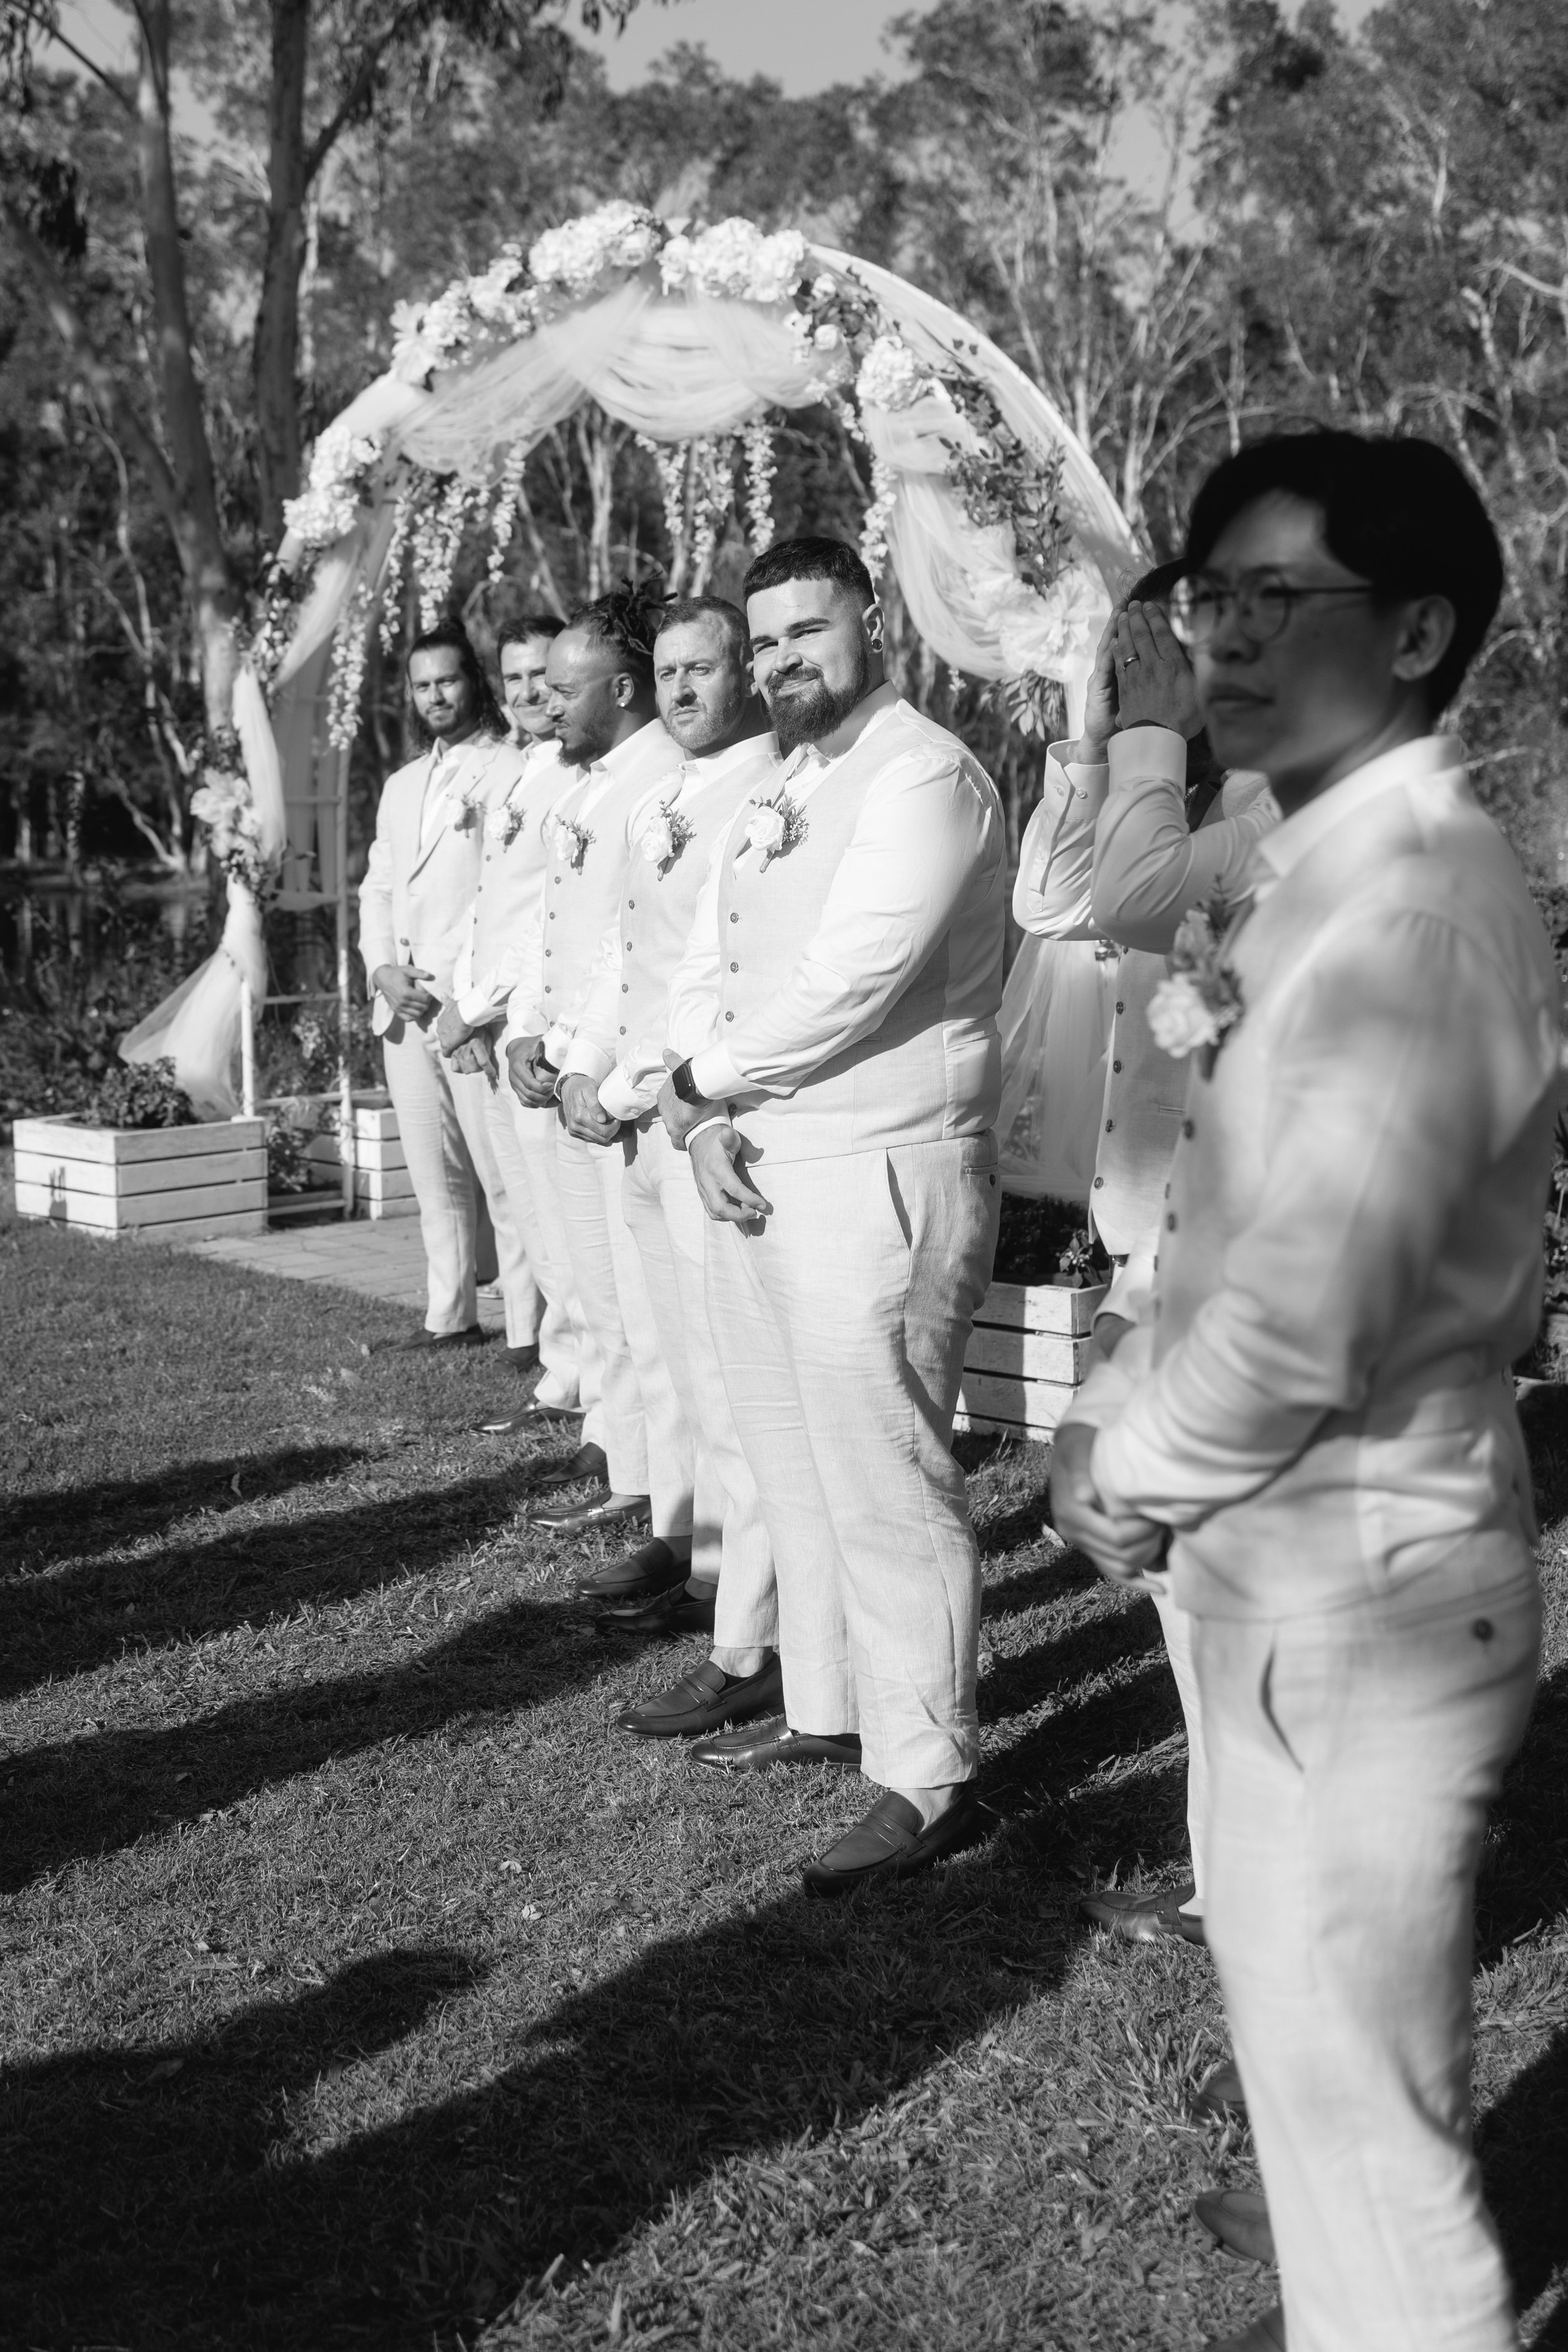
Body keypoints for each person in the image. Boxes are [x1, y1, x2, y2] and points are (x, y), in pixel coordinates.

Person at [1051, 430, 1557, 2352]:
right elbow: (1230, 1219)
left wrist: (1118, 1452)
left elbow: (1311, 1311)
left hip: (1373, 1581)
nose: (1223, 644)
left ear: (1417, 629)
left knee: (1376, 2131)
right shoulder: (1304, 858)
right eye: (1207, 600)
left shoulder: (1410, 903)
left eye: (1278, 599)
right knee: (1311, 2073)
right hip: (1272, 1557)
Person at [658, 536, 1007, 1895]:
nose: (783, 658)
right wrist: (699, 1115)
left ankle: (927, 1778)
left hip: (881, 1169)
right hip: (758, 1157)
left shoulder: (921, 774)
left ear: (872, 619)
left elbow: (855, 978)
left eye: (808, 628)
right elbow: (710, 956)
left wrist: (698, 1083)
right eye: (765, 641)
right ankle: (827, 1706)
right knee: (786, 1461)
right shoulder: (780, 783)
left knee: (884, 1478)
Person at [1016, 559, 1278, 1946]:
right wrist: (1082, 735)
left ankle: (1271, 1902)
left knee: (1236, 1618)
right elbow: (1048, 901)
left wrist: (1146, 740)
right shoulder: (1169, 807)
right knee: (1190, 1610)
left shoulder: (1263, 822)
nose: (1139, 694)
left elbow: (1123, 896)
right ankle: (1227, 1887)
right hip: (1154, 1263)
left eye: (1154, 669)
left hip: (1227, 1287)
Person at [556, 596, 782, 1729]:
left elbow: (715, 977)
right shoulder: (660, 798)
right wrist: (585, 1063)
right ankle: (705, 1574)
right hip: (640, 1115)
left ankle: (756, 1633)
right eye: (674, 671)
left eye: (708, 669)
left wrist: (636, 1085)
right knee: (678, 1368)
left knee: (738, 1392)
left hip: (703, 1121)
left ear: (746, 674)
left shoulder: (768, 787)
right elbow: (624, 951)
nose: (687, 690)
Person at [503, 582, 689, 1577]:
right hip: (572, 1059)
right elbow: (554, 928)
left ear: (622, 690)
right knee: (596, 1290)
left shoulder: (653, 783)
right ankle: (626, 1466)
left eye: (567, 691)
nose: (547, 706)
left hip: (617, 1074)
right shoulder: (583, 777)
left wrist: (590, 1060)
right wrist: (533, 1031)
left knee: (642, 1315)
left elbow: (635, 947)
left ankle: (665, 1500)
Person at [432, 615, 606, 1444]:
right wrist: (463, 1000)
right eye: (514, 679)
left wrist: (483, 1004)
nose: (529, 692)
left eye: (543, 676)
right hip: (497, 1021)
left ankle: (583, 1375)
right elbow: (485, 905)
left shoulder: (575, 781)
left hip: (531, 1022)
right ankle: (562, 1365)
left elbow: (545, 917)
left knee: (562, 1217)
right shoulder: (511, 773)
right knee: (531, 1210)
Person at [358, 618, 543, 1357]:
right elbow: (376, 886)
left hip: (469, 1008)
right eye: (423, 685)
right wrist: (380, 969)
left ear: (475, 682)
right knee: (433, 1176)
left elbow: (503, 896)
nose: (436, 695)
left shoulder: (509, 767)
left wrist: (461, 994)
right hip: (399, 1005)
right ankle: (449, 1313)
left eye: (449, 680)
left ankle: (528, 1330)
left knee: (501, 1176)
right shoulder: (402, 784)